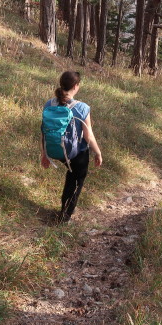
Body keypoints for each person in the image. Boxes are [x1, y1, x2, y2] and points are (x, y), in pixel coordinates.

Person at [41, 71, 102, 223]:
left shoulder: (50, 104)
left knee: (71, 174)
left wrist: (45, 153)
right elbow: (89, 136)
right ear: (76, 86)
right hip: (76, 153)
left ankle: (64, 209)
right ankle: (65, 217)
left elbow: (44, 131)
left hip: (57, 151)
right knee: (76, 181)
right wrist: (98, 152)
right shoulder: (82, 108)